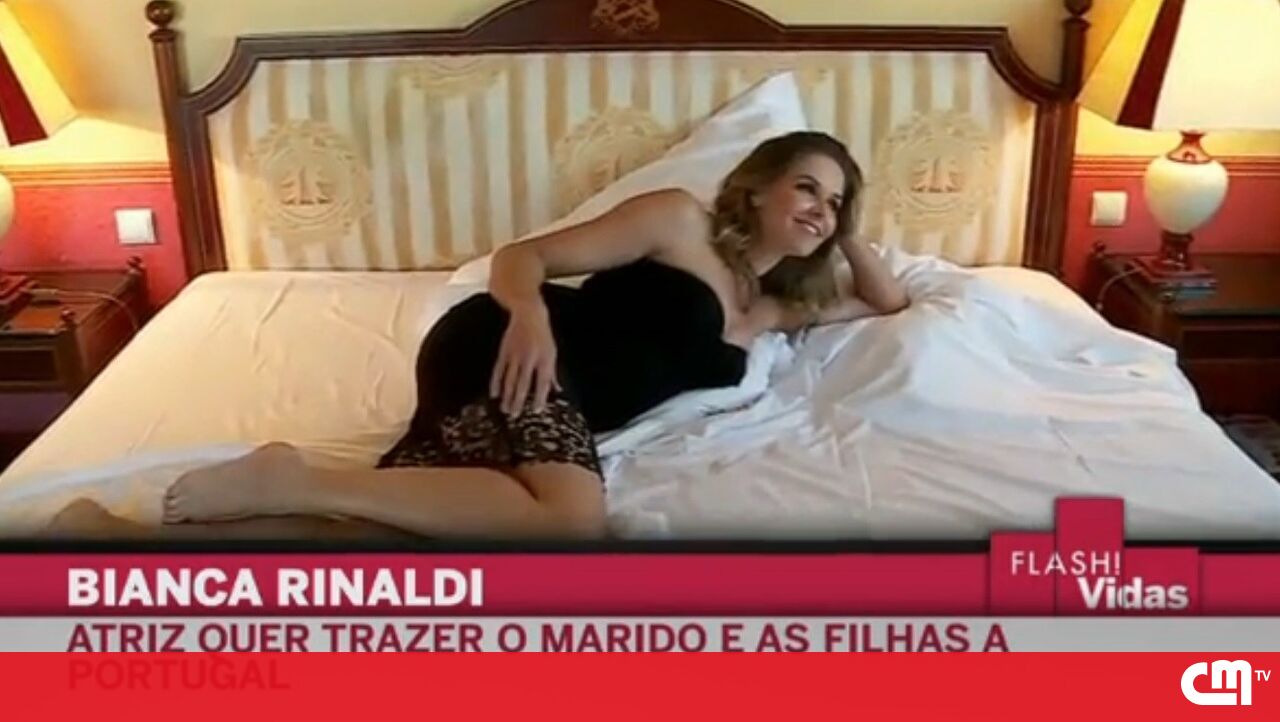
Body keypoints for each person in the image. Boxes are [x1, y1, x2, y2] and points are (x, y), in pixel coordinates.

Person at [44, 131, 908, 541]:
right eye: (805, 187)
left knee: (395, 539)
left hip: (561, 406)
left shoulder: (775, 309)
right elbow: (523, 258)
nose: (818, 209)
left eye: (832, 202)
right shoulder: (678, 220)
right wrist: (529, 313)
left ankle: (113, 539)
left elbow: (888, 301)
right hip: (508, 343)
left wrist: (846, 228)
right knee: (570, 523)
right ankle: (297, 476)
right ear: (755, 187)